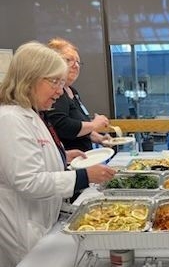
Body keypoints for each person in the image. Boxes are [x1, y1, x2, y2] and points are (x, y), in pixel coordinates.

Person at [0, 41, 116, 267]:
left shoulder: (32, 114)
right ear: (30, 77)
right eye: (54, 82)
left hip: (43, 219)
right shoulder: (10, 119)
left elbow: (35, 158)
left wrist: (63, 157)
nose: (59, 91)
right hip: (23, 224)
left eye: (62, 83)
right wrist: (84, 177)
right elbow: (27, 181)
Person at [46, 37, 111, 152]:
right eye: (68, 60)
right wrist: (94, 124)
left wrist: (100, 138)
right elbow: (63, 127)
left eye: (78, 62)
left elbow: (80, 129)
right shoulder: (54, 94)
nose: (75, 65)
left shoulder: (73, 91)